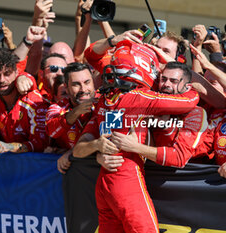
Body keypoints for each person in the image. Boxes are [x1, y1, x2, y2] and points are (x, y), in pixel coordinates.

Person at [74, 40, 199, 233]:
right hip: (126, 178)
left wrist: (99, 147)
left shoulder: (106, 100)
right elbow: (190, 101)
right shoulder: (139, 98)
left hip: (106, 181)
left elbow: (90, 147)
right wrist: (191, 86)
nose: (158, 78)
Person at [99, 62, 208, 171]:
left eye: (174, 81)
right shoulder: (142, 102)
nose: (167, 84)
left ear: (188, 87)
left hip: (187, 178)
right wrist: (100, 156)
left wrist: (135, 147)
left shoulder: (196, 113)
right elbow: (104, 139)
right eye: (163, 79)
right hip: (142, 172)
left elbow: (179, 158)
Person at [0, 48, 49, 165]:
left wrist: (10, 147)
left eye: (7, 74)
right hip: (7, 170)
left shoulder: (34, 101)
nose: (2, 80)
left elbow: (40, 144)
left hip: (35, 168)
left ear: (16, 72)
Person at [46, 62, 96, 173]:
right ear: (67, 88)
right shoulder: (58, 107)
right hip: (71, 173)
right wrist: (76, 112)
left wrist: (71, 152)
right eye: (76, 84)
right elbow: (52, 132)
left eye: (87, 82)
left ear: (94, 82)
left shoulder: (105, 103)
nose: (83, 89)